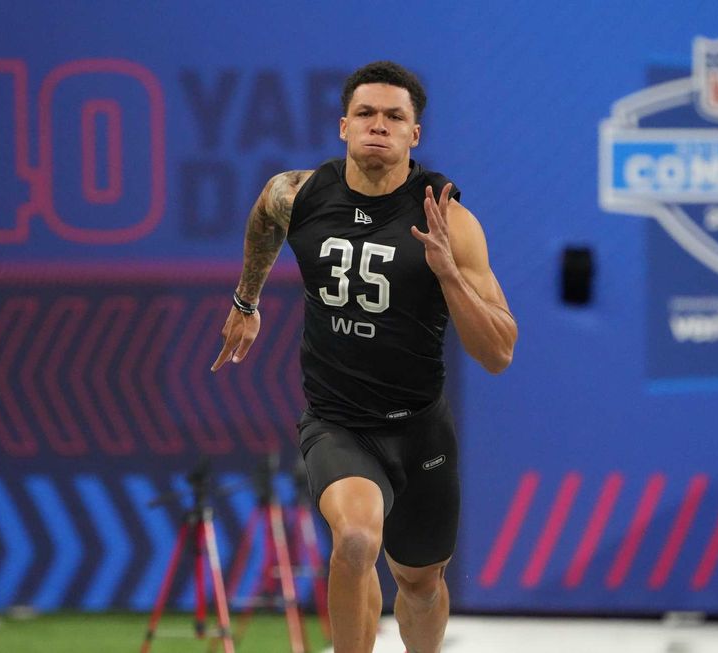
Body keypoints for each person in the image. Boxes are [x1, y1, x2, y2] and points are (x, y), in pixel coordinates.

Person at [212, 60, 517, 653]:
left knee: (420, 583)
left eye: (394, 117)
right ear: (344, 126)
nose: (379, 125)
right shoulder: (298, 194)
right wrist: (246, 300)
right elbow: (265, 214)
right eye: (366, 113)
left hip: (419, 428)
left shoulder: (448, 221)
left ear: (414, 134)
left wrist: (448, 275)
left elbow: (499, 351)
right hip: (338, 423)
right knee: (354, 540)